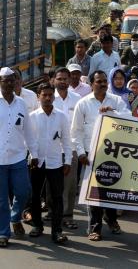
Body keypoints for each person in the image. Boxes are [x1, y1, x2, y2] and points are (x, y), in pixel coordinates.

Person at [71, 70, 131, 242]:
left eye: (105, 81)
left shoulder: (116, 101)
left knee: (112, 190)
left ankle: (111, 220)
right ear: (92, 84)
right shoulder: (83, 104)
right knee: (94, 193)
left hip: (112, 154)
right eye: (99, 82)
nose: (103, 84)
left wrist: (113, 113)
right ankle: (94, 228)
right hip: (91, 155)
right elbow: (76, 132)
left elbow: (129, 118)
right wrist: (81, 153)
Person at [0, 67, 38, 248]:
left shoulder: (21, 103)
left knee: (23, 192)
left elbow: (29, 131)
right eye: (5, 80)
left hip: (18, 158)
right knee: (1, 200)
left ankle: (15, 217)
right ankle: (3, 233)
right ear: (0, 82)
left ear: (16, 82)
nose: (9, 83)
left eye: (12, 80)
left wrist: (34, 153)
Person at [29, 82, 71, 244]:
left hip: (55, 162)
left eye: (50, 95)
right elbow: (28, 140)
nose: (47, 98)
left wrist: (67, 161)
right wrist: (32, 155)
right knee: (34, 196)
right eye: (44, 95)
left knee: (57, 197)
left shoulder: (61, 116)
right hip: (36, 162)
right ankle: (37, 226)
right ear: (38, 97)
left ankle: (57, 230)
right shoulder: (32, 117)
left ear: (54, 96)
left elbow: (67, 141)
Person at [50, 67, 81, 229]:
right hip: (51, 148)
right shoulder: (48, 98)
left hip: (71, 148)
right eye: (59, 79)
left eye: (65, 79)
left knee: (70, 184)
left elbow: (81, 124)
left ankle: (68, 215)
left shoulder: (77, 99)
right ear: (54, 80)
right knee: (51, 184)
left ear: (70, 81)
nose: (62, 81)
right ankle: (52, 212)